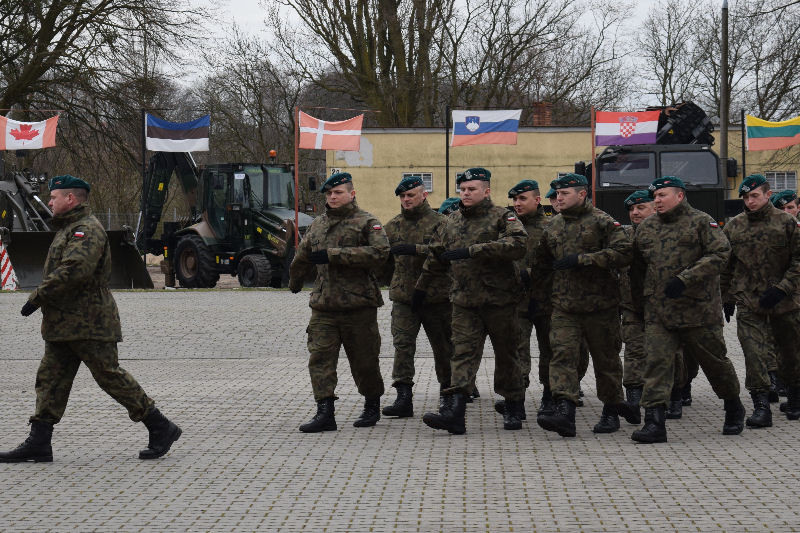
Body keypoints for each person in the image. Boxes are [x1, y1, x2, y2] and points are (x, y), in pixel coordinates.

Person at [0, 175, 181, 463]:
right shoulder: (69, 229)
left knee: (109, 376)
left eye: (54, 196)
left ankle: (160, 426)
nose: (49, 201)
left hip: (89, 321)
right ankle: (39, 442)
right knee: (50, 379)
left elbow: (75, 269)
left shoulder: (87, 230)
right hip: (63, 324)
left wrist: (37, 297)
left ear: (70, 199)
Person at [630, 176, 745, 443]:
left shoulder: (701, 222)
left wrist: (685, 279)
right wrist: (639, 305)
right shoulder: (646, 228)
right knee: (656, 363)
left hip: (699, 311)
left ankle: (733, 406)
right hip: (660, 312)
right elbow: (637, 269)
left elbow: (720, 254)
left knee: (715, 363)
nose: (656, 200)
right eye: (655, 196)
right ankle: (654, 422)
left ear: (679, 196)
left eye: (662, 195)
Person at [417, 167, 527, 434]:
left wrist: (475, 250)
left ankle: (513, 405)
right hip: (464, 301)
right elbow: (436, 255)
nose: (465, 193)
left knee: (507, 354)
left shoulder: (503, 216)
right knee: (462, 354)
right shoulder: (450, 221)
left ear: (486, 191)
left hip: (500, 300)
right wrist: (420, 288)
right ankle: (455, 411)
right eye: (463, 189)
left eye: (472, 189)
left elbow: (518, 244)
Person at [533, 173, 637, 437]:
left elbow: (624, 253)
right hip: (564, 306)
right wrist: (536, 296)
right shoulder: (553, 225)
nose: (559, 198)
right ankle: (565, 411)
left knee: (606, 361)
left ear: (581, 194)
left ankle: (612, 410)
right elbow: (542, 264)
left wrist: (585, 259)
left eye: (564, 194)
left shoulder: (603, 221)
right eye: (557, 194)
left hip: (600, 306)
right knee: (562, 356)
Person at [288, 172, 389, 432]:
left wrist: (335, 255)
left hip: (358, 305)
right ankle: (325, 411)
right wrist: (295, 280)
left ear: (351, 194)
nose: (333, 197)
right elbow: (303, 255)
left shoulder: (367, 222)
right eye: (329, 193)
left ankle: (371, 404)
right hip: (324, 306)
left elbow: (380, 254)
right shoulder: (318, 224)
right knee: (320, 358)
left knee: (365, 361)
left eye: (338, 193)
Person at [721, 174, 800, 425]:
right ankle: (761, 406)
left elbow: (798, 261)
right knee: (754, 354)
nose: (750, 201)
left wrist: (783, 288)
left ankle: (796, 398)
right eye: (745, 197)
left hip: (785, 301)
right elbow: (726, 265)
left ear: (767, 195)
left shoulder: (787, 223)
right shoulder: (734, 226)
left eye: (754, 196)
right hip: (750, 301)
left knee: (790, 354)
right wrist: (727, 297)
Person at [381, 176, 452, 418]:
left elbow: (447, 252)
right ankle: (403, 396)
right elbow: (382, 258)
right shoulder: (393, 226)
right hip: (404, 299)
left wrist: (416, 249)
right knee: (402, 346)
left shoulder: (441, 223)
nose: (406, 200)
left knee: (444, 349)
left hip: (437, 298)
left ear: (424, 195)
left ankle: (449, 395)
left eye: (410, 195)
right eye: (402, 196)